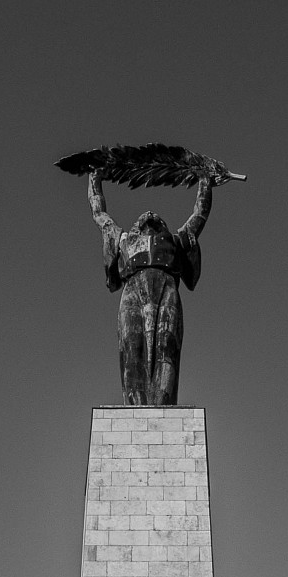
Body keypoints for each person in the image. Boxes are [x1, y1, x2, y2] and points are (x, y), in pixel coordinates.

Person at [88, 171, 212, 405]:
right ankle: (135, 403)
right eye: (143, 217)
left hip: (166, 289)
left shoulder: (175, 241)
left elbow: (200, 215)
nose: (149, 215)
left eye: (156, 218)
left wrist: (205, 181)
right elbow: (99, 214)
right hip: (132, 291)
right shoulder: (124, 240)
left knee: (167, 346)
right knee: (132, 348)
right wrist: (95, 179)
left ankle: (163, 401)